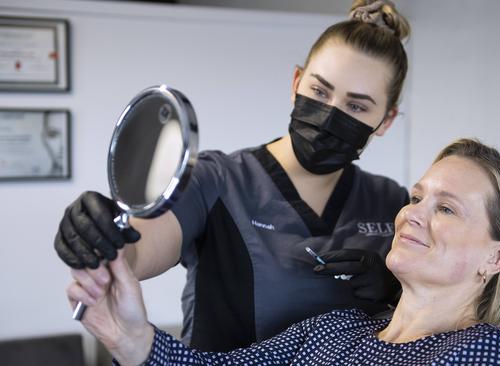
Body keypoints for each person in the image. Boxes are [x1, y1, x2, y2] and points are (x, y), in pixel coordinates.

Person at [54, 0, 412, 353]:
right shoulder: (216, 179)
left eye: (356, 106)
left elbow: (439, 313)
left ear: (387, 120)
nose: (330, 114)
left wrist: (395, 289)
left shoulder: (392, 203)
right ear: (296, 82)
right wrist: (103, 238)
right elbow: (138, 250)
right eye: (319, 90)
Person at [66, 138, 500, 366]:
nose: (414, 215)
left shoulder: (486, 350)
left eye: (446, 208)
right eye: (417, 197)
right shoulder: (336, 328)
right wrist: (130, 336)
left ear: (497, 257)